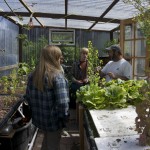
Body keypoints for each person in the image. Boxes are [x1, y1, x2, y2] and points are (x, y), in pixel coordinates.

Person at [25, 45, 70, 150]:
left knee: (46, 142)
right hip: (53, 121)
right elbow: (62, 104)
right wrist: (65, 119)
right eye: (59, 57)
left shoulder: (33, 75)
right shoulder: (57, 77)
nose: (60, 60)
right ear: (54, 59)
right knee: (53, 146)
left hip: (40, 119)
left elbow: (28, 97)